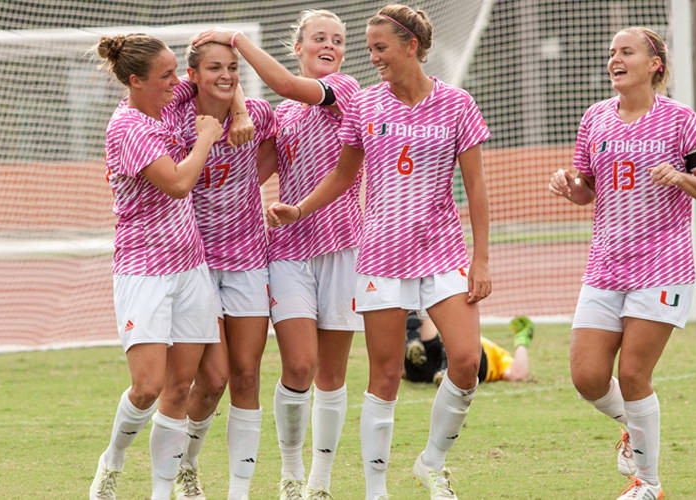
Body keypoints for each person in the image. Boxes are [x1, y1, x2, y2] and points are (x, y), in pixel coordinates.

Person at [265, 5, 492, 499]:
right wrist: (299, 209)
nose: (373, 58)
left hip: (443, 251)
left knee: (467, 362)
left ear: (411, 46)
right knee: (385, 373)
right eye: (367, 49)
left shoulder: (457, 103)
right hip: (381, 254)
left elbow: (475, 187)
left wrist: (481, 258)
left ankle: (432, 463)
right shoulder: (365, 104)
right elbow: (345, 176)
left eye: (380, 48)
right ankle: (375, 491)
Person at [548, 26, 696, 500]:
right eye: (611, 53)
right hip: (605, 265)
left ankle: (648, 484)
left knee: (632, 376)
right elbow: (588, 189)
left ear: (655, 64)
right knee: (586, 377)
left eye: (626, 52)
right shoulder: (595, 118)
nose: (615, 60)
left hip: (662, 266)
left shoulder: (680, 120)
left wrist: (681, 178)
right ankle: (633, 426)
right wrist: (572, 188)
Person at [192, 10, 363, 500]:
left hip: (341, 246)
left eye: (338, 40)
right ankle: (290, 474)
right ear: (299, 46)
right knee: (300, 368)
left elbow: (287, 85)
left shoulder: (344, 91)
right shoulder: (281, 118)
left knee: (332, 374)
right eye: (319, 38)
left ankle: (320, 482)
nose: (329, 45)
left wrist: (236, 38)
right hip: (287, 252)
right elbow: (249, 172)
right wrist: (240, 113)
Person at [89, 33, 224, 500]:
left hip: (190, 268)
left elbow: (213, 81)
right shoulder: (128, 128)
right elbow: (179, 183)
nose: (176, 81)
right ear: (134, 81)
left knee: (180, 387)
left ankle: (162, 491)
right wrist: (206, 136)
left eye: (174, 71)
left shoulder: (166, 100)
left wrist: (227, 50)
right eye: (166, 75)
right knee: (146, 387)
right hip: (144, 271)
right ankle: (113, 460)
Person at [169, 39, 277, 500]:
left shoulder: (258, 113)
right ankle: (186, 466)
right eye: (213, 68)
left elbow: (279, 144)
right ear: (193, 74)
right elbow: (166, 86)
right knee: (211, 379)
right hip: (196, 264)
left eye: (232, 68)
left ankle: (239, 491)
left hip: (250, 260)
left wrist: (242, 112)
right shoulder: (174, 115)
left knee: (247, 376)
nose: (226, 75)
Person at [404, 313, 534, 384]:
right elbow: (517, 375)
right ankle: (446, 368)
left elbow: (516, 375)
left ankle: (413, 334)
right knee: (438, 314)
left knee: (429, 311)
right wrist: (522, 341)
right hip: (461, 362)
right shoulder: (499, 354)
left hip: (419, 372)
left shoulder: (500, 354)